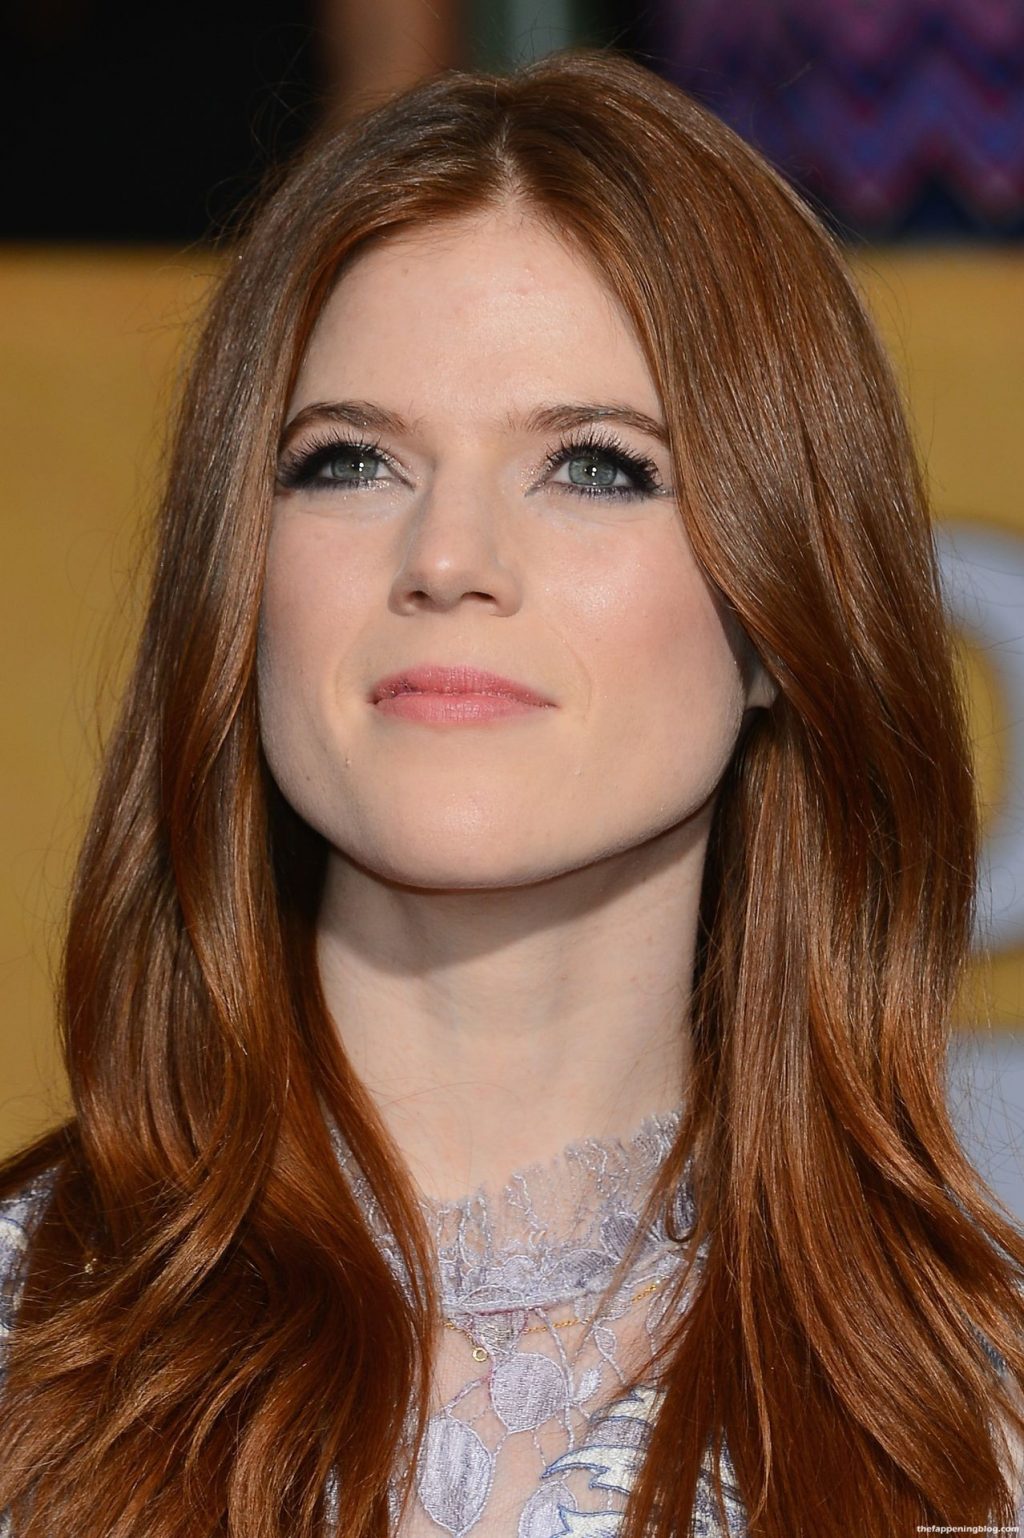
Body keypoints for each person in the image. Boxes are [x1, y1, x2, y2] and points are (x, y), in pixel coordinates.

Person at [0, 44, 1022, 1538]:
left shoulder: (981, 1424)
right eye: (348, 461)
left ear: (779, 616)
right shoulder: (27, 1348)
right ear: (238, 581)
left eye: (596, 466)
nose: (447, 556)